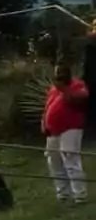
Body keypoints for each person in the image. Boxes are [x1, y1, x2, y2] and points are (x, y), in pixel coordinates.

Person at [42, 63, 88, 204]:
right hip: (53, 130)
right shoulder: (53, 89)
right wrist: (44, 122)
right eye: (57, 74)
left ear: (68, 74)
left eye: (61, 73)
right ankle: (63, 193)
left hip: (71, 128)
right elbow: (48, 105)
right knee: (54, 161)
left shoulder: (78, 85)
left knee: (70, 159)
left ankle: (79, 194)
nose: (58, 77)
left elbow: (81, 101)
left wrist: (64, 89)